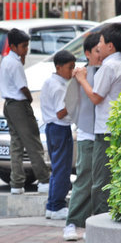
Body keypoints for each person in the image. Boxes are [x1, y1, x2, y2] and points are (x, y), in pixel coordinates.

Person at [73, 23, 121, 215]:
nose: (98, 46)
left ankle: (99, 226)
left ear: (110, 46)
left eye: (100, 41)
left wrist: (82, 78)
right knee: (114, 179)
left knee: (100, 182)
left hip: (105, 131)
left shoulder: (108, 67)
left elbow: (96, 97)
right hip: (118, 128)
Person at [0, 28, 51, 195]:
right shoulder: (15, 64)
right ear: (13, 46)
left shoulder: (7, 60)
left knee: (16, 144)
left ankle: (16, 183)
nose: (26, 49)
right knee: (33, 143)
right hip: (19, 105)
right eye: (23, 46)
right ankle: (44, 180)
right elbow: (23, 87)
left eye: (27, 45)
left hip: (8, 104)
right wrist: (29, 99)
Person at [63, 32, 101, 241]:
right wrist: (81, 123)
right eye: (97, 51)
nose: (101, 54)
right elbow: (70, 103)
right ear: (87, 53)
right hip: (88, 133)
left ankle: (94, 223)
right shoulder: (81, 74)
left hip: (103, 133)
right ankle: (72, 222)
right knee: (85, 178)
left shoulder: (105, 70)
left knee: (100, 180)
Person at [40, 50, 75, 222]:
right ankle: (58, 206)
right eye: (70, 68)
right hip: (60, 128)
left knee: (56, 168)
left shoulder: (49, 82)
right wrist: (75, 101)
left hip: (51, 128)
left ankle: (51, 205)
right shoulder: (60, 87)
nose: (72, 71)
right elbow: (61, 112)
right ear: (59, 67)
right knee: (62, 169)